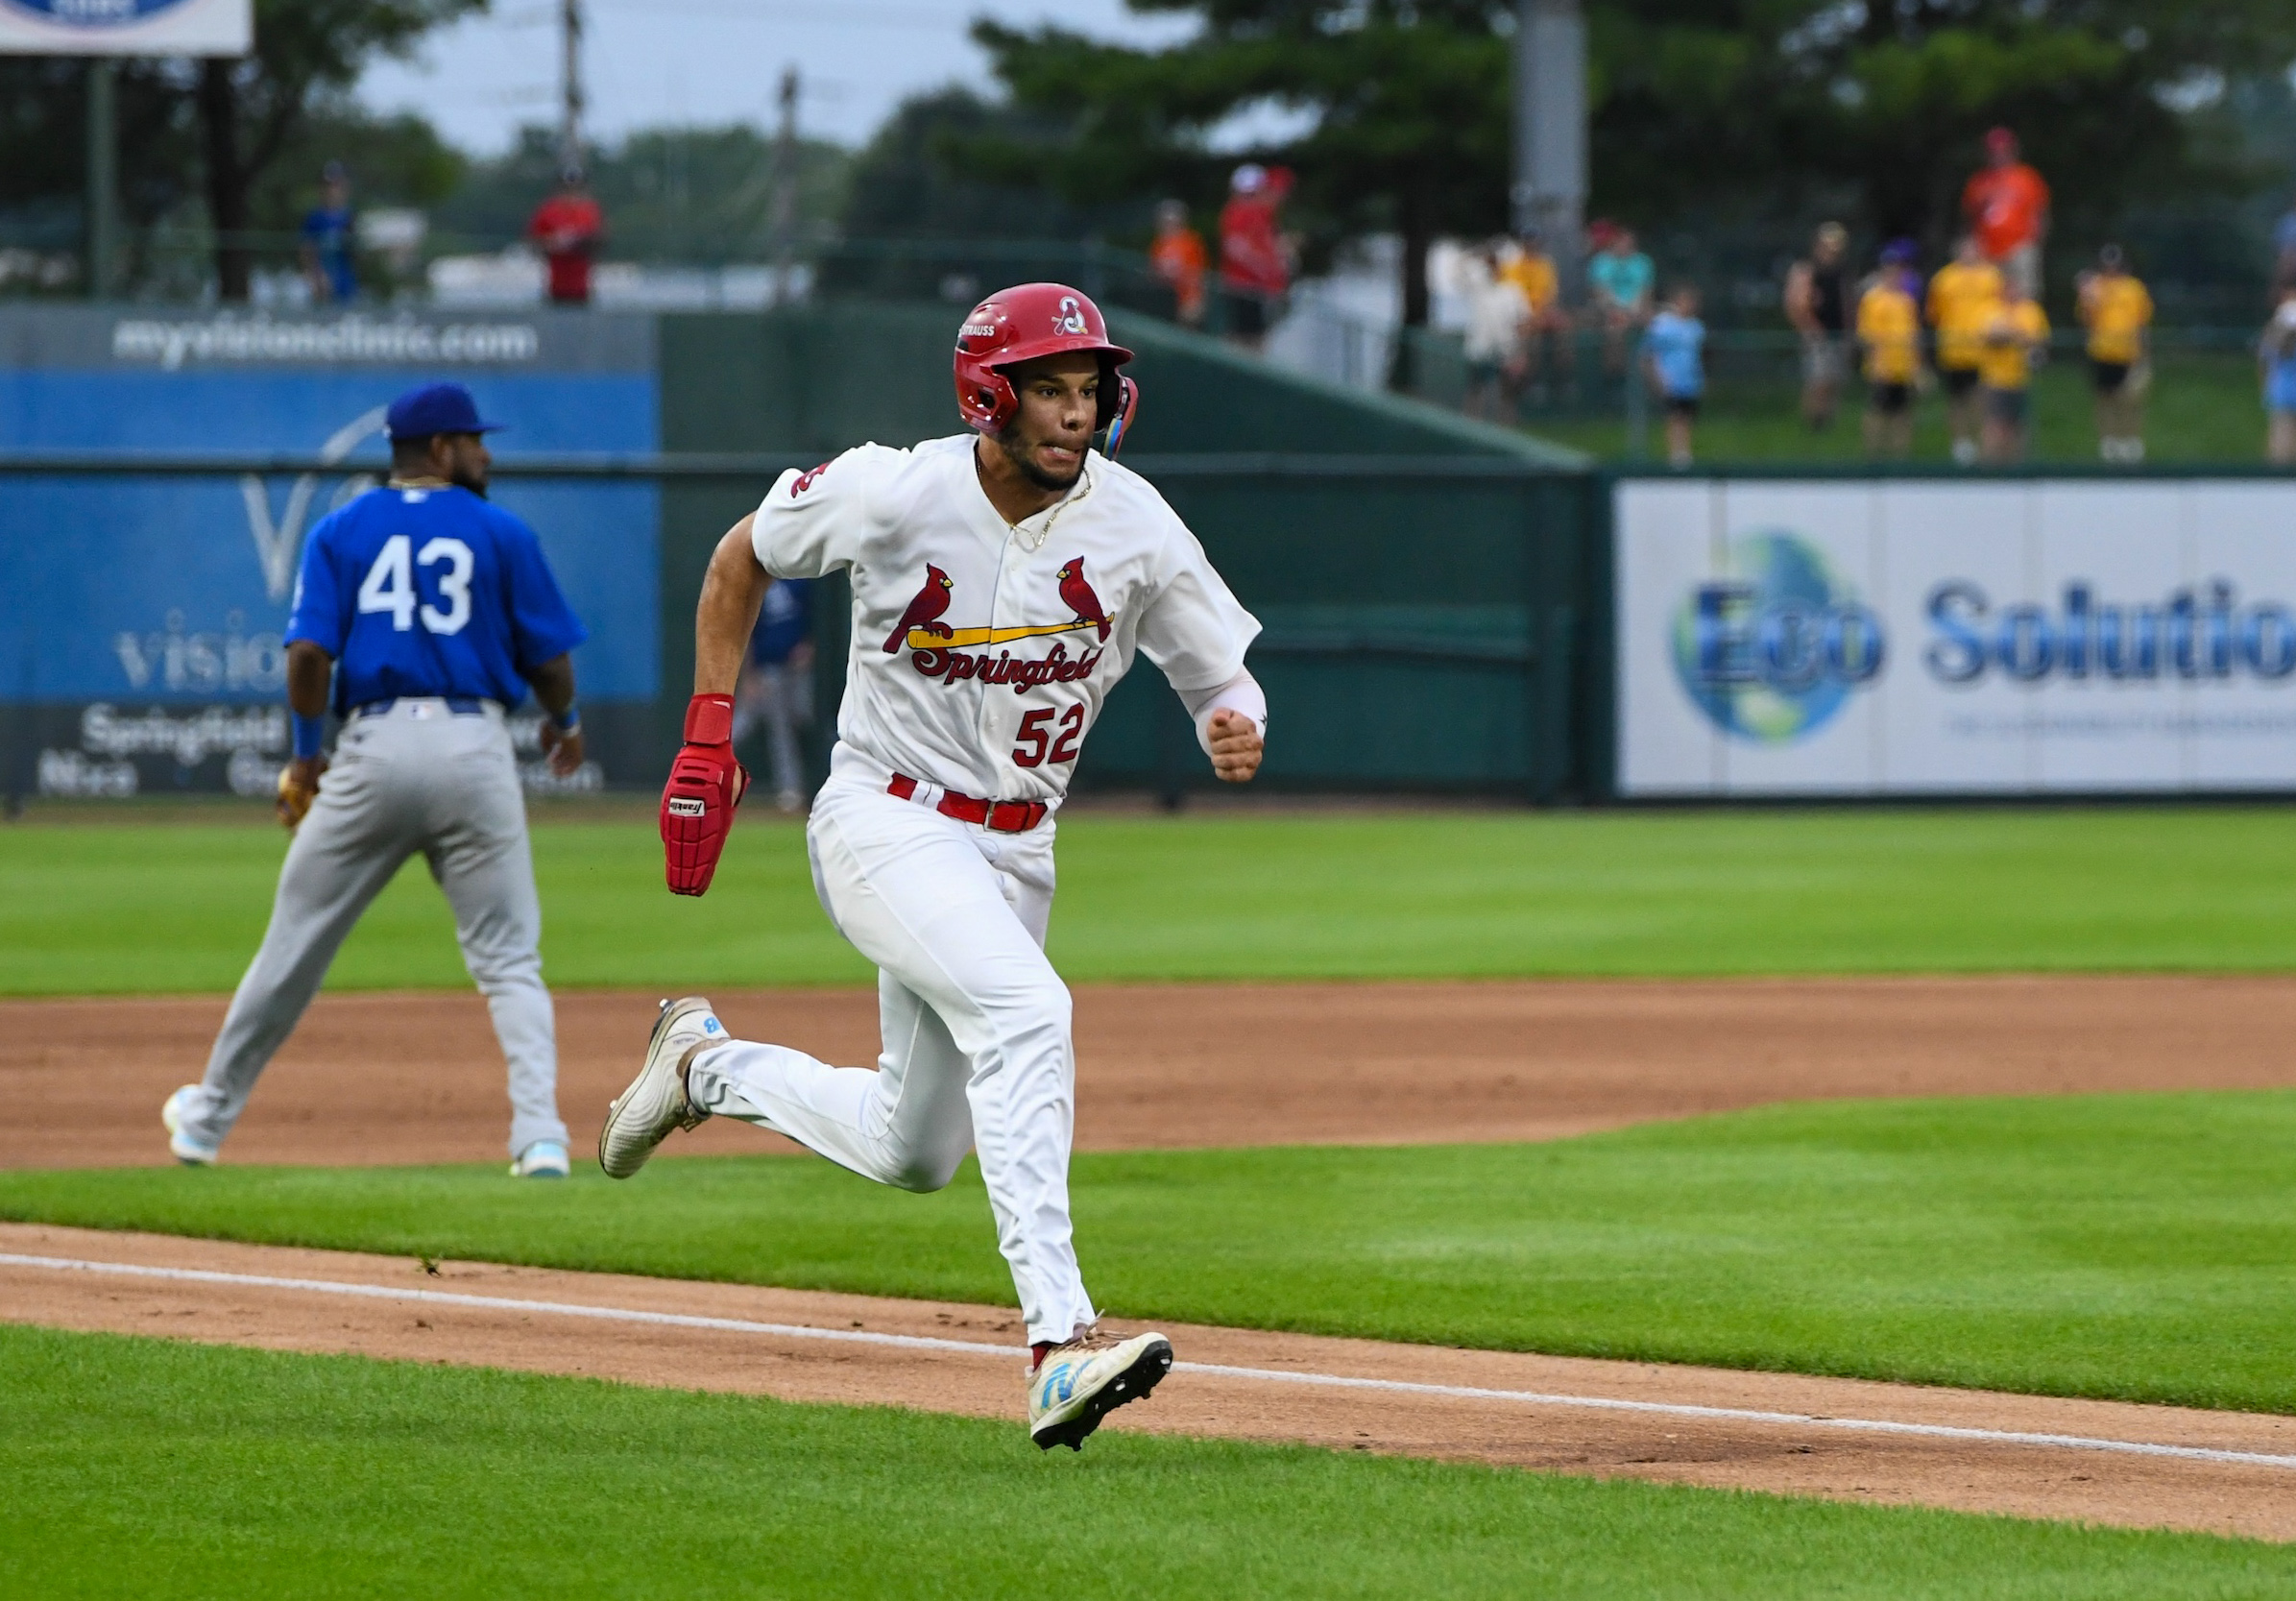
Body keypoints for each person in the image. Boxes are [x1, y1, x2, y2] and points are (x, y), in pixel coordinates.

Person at [601, 281, 1267, 1452]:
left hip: (1018, 847)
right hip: (883, 818)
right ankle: (1058, 1342)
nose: (1076, 411)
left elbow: (1219, 668)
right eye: (1051, 389)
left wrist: (1233, 714)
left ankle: (703, 1066)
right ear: (989, 394)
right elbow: (739, 557)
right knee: (1028, 1011)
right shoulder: (894, 487)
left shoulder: (1138, 522)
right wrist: (709, 730)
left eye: (1090, 388)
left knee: (914, 1148)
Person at [161, 383, 591, 1178]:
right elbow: (550, 661)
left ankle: (205, 1123)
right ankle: (540, 1137)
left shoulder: (340, 529)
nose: (485, 453)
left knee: (290, 949)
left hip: (374, 747)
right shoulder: (500, 530)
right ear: (438, 449)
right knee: (509, 961)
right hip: (473, 747)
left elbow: (306, 657)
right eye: (472, 439)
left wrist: (303, 756)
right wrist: (564, 725)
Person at [734, 575, 815, 812]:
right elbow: (748, 636)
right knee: (779, 729)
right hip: (768, 670)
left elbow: (815, 618)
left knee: (803, 718)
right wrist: (750, 678)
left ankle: (806, 784)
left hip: (799, 670)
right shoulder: (757, 587)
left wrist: (810, 644)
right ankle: (791, 789)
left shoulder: (801, 581)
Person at [1927, 234, 2005, 465]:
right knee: (1956, 398)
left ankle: (1982, 441)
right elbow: (1935, 313)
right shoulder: (1944, 278)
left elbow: (2001, 307)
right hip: (1953, 348)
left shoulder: (1992, 276)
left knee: (1981, 396)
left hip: (1983, 349)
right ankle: (1960, 443)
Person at [2076, 245, 2154, 463]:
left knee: (2130, 398)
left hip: (2128, 352)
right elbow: (2086, 321)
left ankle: (2131, 442)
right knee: (2105, 398)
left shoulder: (2134, 288)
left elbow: (2142, 322)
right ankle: (2108, 442)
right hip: (2102, 351)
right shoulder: (2094, 288)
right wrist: (2087, 297)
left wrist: (2144, 353)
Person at [1962, 127, 2049, 301]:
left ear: (2012, 151)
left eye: (2003, 150)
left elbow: (2040, 214)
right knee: (1987, 297)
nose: (1998, 155)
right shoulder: (1979, 181)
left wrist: (2033, 243)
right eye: (1994, 151)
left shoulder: (2027, 178)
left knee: (2023, 297)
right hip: (1986, 250)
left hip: (2018, 247)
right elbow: (1969, 218)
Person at [1856, 241, 1924, 460]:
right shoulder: (1873, 300)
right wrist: (1877, 364)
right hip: (1882, 366)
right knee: (1878, 410)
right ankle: (1873, 455)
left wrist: (1916, 367)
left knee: (1902, 412)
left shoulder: (1906, 301)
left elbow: (1913, 335)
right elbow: (1867, 335)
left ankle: (1900, 456)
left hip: (1902, 366)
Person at [1218, 163, 1293, 351]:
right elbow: (1235, 247)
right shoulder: (1237, 211)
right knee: (1245, 339)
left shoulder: (1261, 213)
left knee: (1257, 338)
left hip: (1258, 288)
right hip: (1244, 286)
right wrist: (1265, 269)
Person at [1784, 222, 1851, 430]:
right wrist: (1810, 330)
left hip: (1838, 333)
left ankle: (1828, 423)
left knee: (1834, 381)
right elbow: (1796, 304)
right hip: (1818, 335)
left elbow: (1846, 302)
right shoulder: (1806, 270)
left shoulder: (1841, 272)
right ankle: (1813, 424)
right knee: (1817, 381)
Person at [1977, 279, 2048, 464]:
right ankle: (1992, 467)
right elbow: (1991, 336)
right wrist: (2017, 335)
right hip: (1996, 378)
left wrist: (2012, 335)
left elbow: (2039, 339)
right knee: (1996, 425)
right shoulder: (1990, 309)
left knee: (2019, 426)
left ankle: (2017, 467)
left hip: (2021, 378)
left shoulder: (2030, 310)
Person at [1461, 240, 1531, 425]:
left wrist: (1520, 353)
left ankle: (1507, 430)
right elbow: (1461, 270)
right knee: (1476, 389)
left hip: (1507, 349)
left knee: (1507, 393)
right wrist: (1478, 253)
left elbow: (1523, 322)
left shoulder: (1512, 291)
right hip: (1480, 348)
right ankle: (1471, 429)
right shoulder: (1478, 288)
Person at [1498, 229, 1571, 399]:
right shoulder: (1512, 267)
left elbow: (1550, 294)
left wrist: (1544, 313)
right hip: (1521, 315)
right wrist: (1529, 316)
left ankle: (1565, 378)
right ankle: (1533, 381)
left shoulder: (1545, 265)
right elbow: (1510, 296)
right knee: (1532, 336)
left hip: (1542, 313)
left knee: (1564, 326)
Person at [1641, 282, 1704, 469]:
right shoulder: (1662, 325)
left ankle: (1686, 452)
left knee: (1687, 417)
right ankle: (1675, 455)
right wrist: (1656, 378)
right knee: (1674, 416)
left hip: (1690, 381)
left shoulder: (1696, 327)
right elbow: (1648, 354)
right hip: (1671, 380)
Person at [527, 165, 605, 307]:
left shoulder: (589, 211)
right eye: (567, 188)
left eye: (576, 188)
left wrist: (578, 242)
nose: (571, 194)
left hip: (582, 288)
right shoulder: (548, 211)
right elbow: (534, 243)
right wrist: (554, 243)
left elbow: (599, 242)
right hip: (556, 287)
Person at [1587, 224, 1655, 373]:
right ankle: (1616, 372)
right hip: (1610, 309)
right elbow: (1600, 293)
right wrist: (1619, 310)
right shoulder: (1601, 263)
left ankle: (1647, 370)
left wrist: (1639, 311)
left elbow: (1646, 292)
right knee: (1616, 327)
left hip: (1637, 309)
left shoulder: (1643, 263)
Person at [300, 161, 356, 304]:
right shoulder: (314, 218)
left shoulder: (349, 217)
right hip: (322, 281)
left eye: (336, 185)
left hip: (345, 282)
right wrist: (315, 276)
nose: (332, 190)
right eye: (328, 186)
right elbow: (306, 250)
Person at [1148, 199, 1208, 328]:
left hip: (1187, 296)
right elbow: (1154, 269)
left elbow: (1197, 272)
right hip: (1165, 296)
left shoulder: (1190, 242)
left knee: (1188, 328)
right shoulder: (1159, 244)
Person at [2259, 289, 2296, 464]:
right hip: (2284, 393)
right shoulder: (2277, 336)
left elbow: (2264, 363)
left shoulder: (2275, 334)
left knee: (2282, 440)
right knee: (2282, 443)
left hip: (2282, 392)